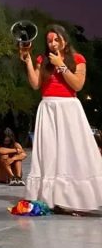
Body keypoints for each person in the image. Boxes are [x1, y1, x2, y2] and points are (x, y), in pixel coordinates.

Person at [21, 24, 102, 212]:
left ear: (65, 40)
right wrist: (28, 61)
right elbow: (35, 84)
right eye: (49, 40)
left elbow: (78, 85)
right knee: (50, 153)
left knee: (71, 152)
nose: (53, 43)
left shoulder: (78, 59)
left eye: (56, 39)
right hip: (47, 108)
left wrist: (61, 65)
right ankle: (51, 198)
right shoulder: (43, 59)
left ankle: (74, 198)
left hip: (68, 109)